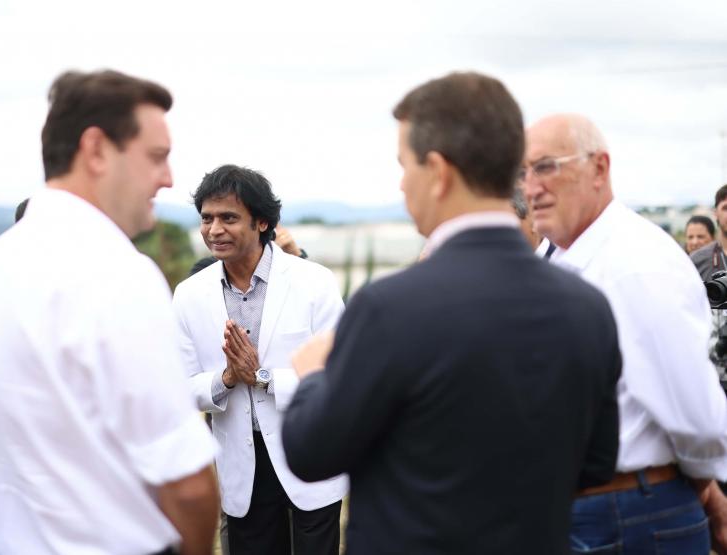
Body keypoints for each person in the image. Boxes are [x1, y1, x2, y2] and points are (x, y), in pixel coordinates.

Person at [280, 73, 622, 555]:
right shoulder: (587, 306)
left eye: (404, 166)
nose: (401, 184)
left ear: (438, 172)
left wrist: (314, 373)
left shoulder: (389, 309)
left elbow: (311, 452)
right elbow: (597, 464)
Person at [0, 69, 219, 555]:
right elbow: (189, 484)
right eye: (156, 157)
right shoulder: (119, 274)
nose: (169, 177)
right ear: (95, 150)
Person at [523, 113, 727, 553]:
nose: (530, 187)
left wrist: (706, 488)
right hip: (585, 511)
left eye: (545, 167)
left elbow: (694, 414)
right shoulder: (559, 256)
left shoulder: (635, 263)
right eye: (523, 172)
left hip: (629, 514)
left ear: (599, 168)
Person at [173, 164, 347, 555]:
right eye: (207, 218)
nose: (214, 229)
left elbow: (339, 379)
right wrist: (228, 378)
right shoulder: (188, 295)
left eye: (228, 218)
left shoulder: (313, 282)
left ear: (262, 222)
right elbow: (180, 390)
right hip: (241, 466)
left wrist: (263, 377)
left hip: (310, 452)